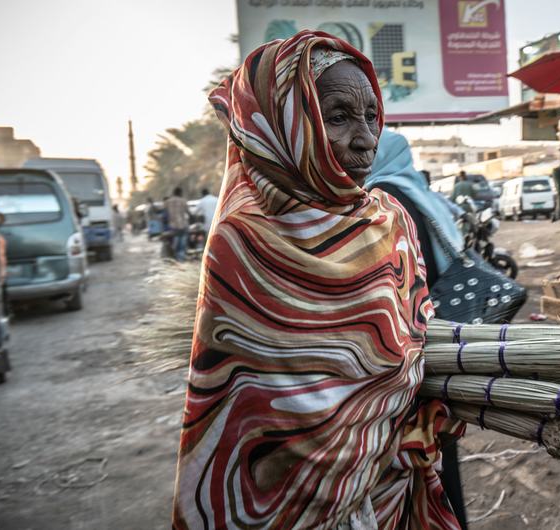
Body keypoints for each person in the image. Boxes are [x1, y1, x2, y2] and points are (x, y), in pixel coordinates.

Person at [172, 31, 463, 529]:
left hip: (390, 485)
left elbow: (415, 339)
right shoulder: (242, 238)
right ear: (287, 121)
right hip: (282, 503)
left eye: (372, 116)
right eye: (338, 116)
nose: (366, 138)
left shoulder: (389, 220)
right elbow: (257, 406)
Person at [365, 128, 468, 527]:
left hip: (414, 339)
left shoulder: (387, 199)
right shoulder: (419, 191)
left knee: (423, 454)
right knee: (439, 446)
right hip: (439, 332)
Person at [164, 187, 189, 261]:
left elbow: (164, 213)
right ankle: (181, 258)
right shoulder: (183, 201)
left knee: (176, 240)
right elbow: (188, 212)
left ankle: (175, 256)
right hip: (183, 225)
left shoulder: (167, 202)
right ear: (180, 193)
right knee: (182, 243)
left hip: (173, 226)